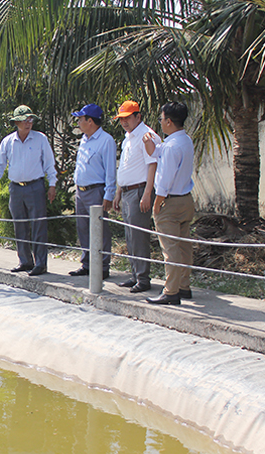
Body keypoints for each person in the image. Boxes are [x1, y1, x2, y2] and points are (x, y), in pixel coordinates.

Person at [0, 105, 57, 276]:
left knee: (38, 225)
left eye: (30, 120)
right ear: (16, 123)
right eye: (24, 120)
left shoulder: (40, 139)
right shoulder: (8, 141)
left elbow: (49, 163)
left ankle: (40, 264)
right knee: (19, 225)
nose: (28, 123)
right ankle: (25, 261)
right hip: (16, 188)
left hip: (35, 186)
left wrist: (52, 184)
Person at [143, 102, 195, 305]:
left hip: (170, 201)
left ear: (169, 121)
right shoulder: (184, 140)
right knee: (183, 245)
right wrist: (149, 143)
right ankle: (183, 286)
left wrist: (157, 203)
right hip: (185, 199)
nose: (161, 122)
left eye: (162, 119)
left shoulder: (172, 146)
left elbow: (165, 179)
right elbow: (157, 152)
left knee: (170, 248)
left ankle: (171, 291)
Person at [112, 101, 160, 293]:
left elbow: (152, 165)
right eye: (121, 119)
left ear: (138, 116)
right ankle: (135, 274)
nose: (124, 122)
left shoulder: (146, 135)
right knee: (130, 236)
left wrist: (147, 193)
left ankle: (143, 278)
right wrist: (118, 192)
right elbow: (125, 166)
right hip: (127, 191)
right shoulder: (128, 137)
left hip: (139, 190)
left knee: (139, 236)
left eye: (127, 118)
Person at [69, 103, 117, 279]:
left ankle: (102, 266)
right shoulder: (84, 139)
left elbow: (110, 170)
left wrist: (109, 194)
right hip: (81, 191)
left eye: (81, 119)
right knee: (83, 228)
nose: (78, 122)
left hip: (96, 190)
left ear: (90, 121)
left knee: (100, 230)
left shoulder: (106, 140)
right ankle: (87, 264)